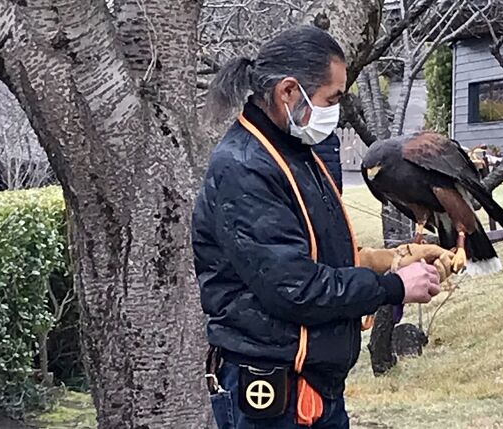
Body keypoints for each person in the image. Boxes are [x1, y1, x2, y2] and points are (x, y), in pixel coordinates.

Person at [192, 26, 453, 429]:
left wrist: (390, 260)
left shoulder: (294, 153)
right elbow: (294, 289)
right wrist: (394, 288)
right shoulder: (244, 166)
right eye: (332, 98)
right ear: (289, 92)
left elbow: (313, 254)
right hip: (274, 397)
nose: (339, 109)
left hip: (315, 389)